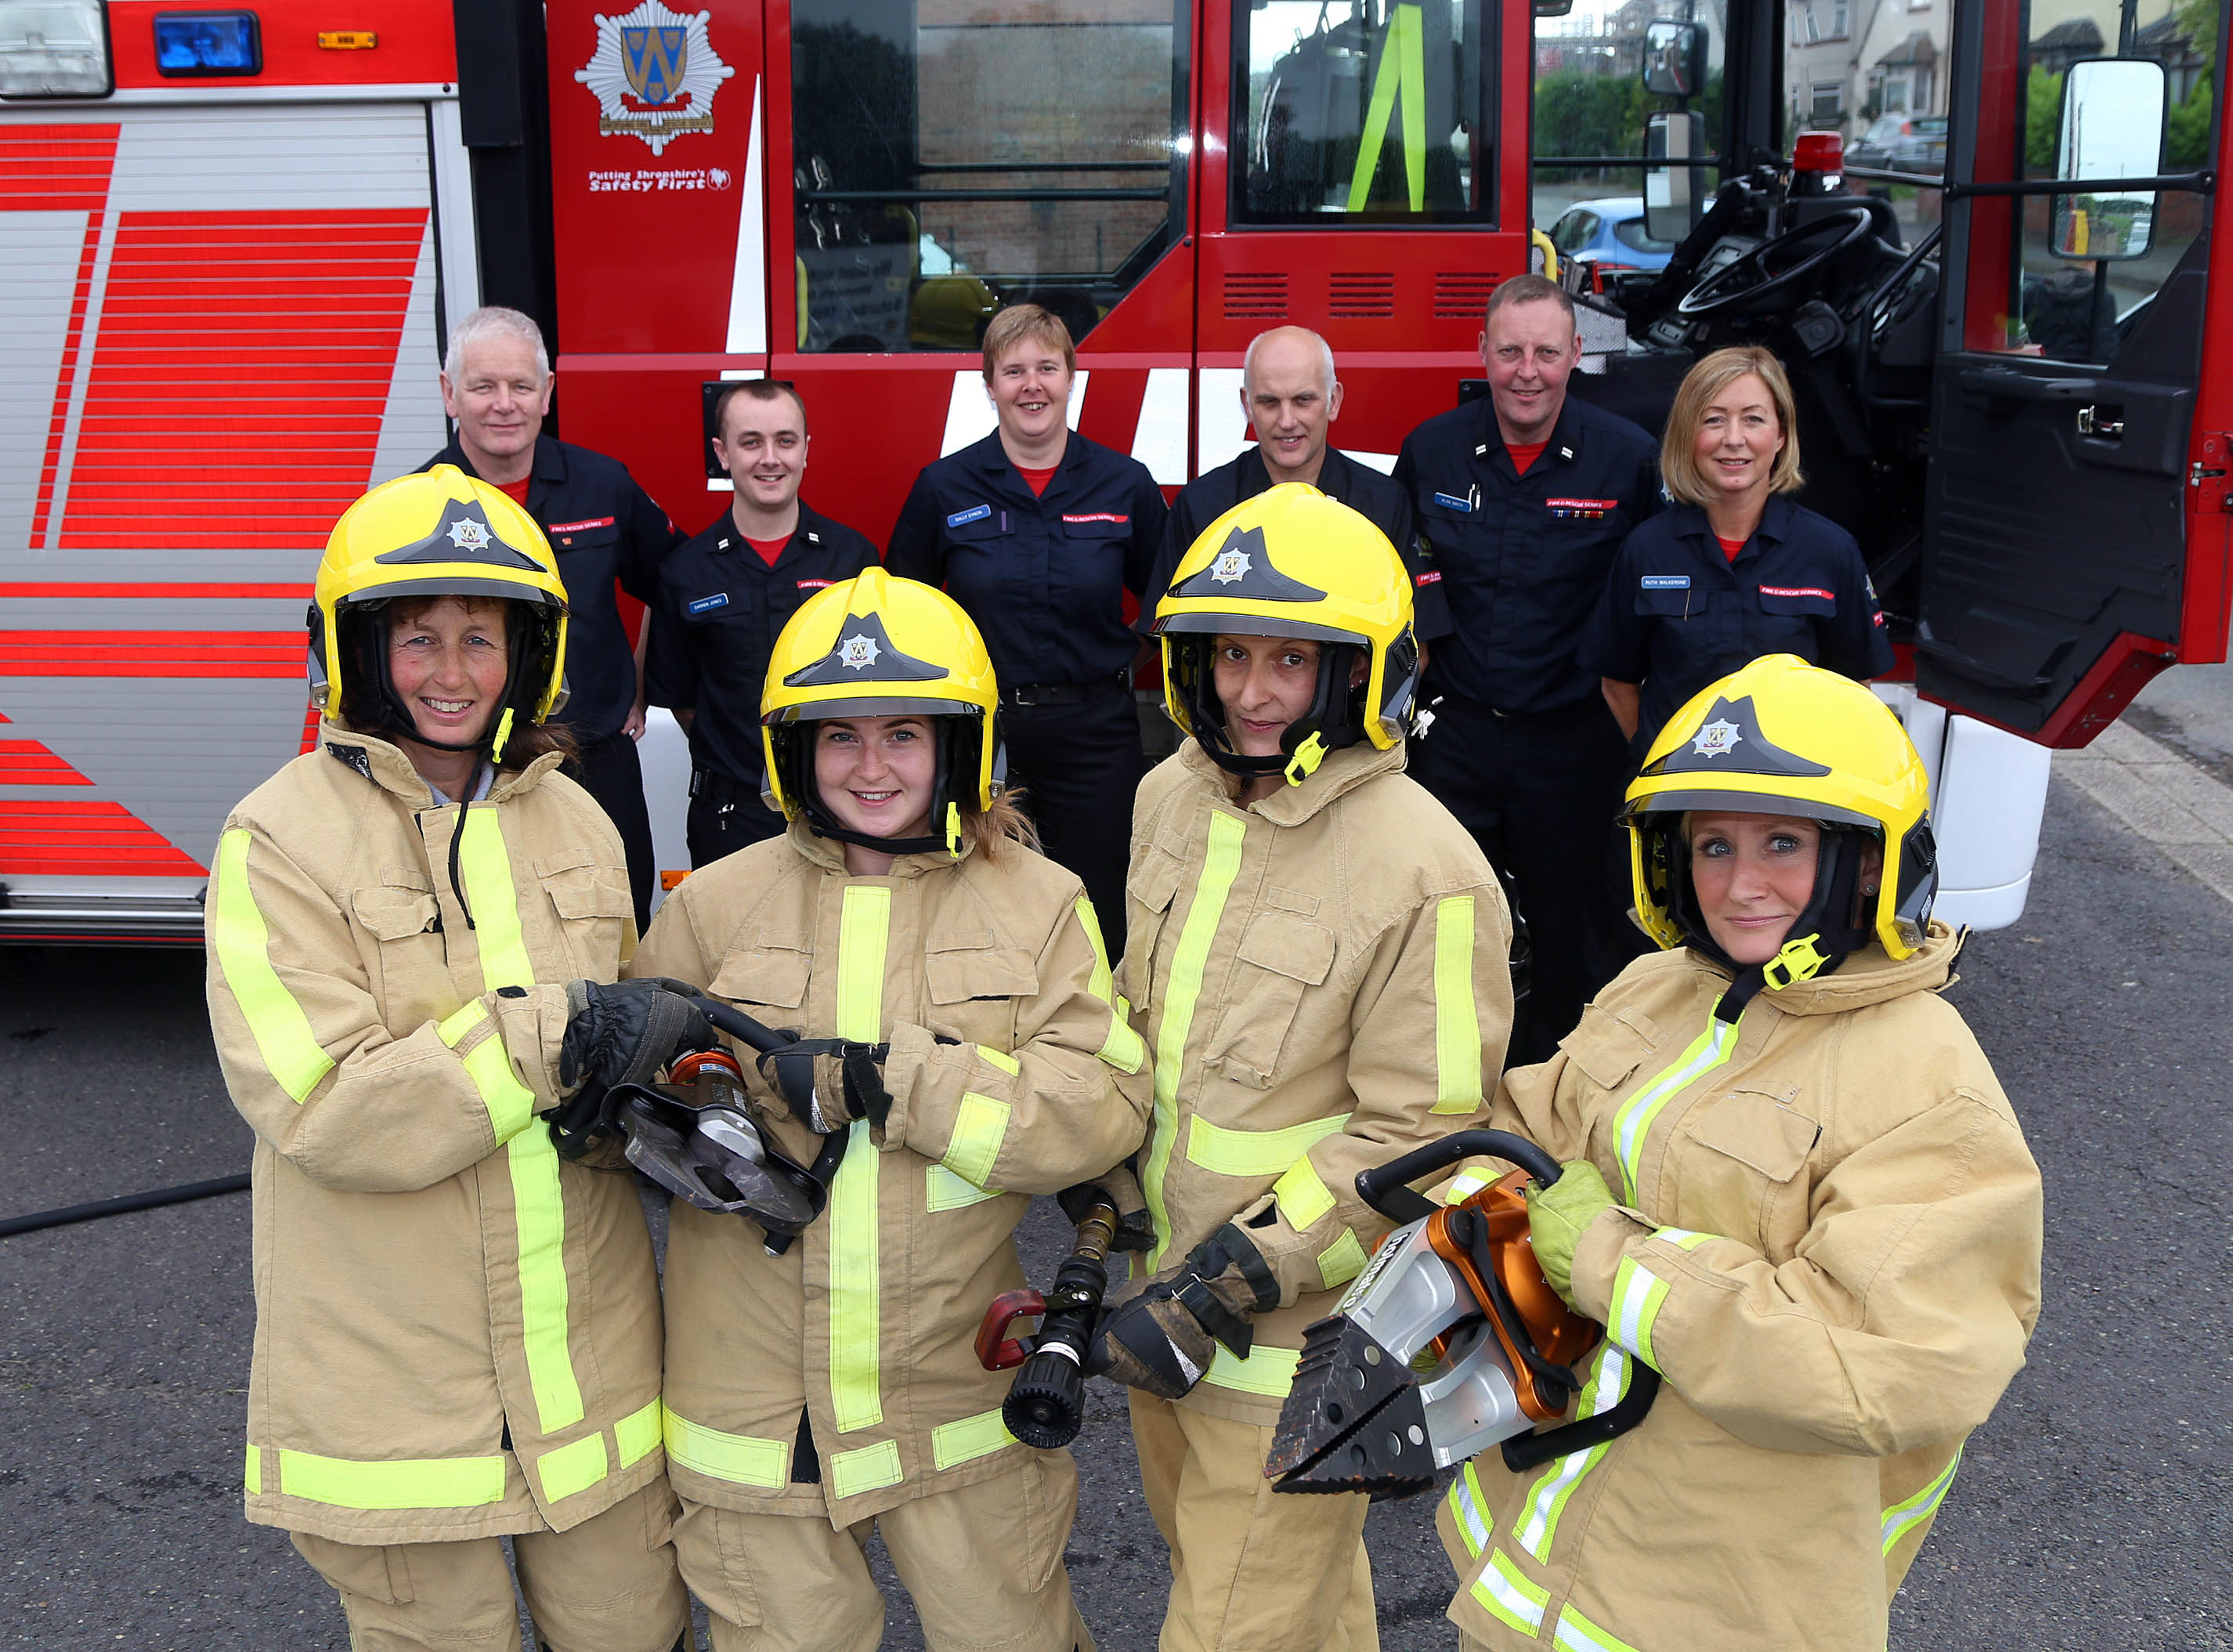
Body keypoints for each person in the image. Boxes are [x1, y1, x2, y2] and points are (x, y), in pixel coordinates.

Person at [205, 467, 717, 1652]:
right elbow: (326, 1104)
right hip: (394, 1382)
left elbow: (627, 1036)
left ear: (527, 653)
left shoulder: (579, 820)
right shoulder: (276, 838)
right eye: (416, 640)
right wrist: (556, 1037)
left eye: (479, 641)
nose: (449, 674)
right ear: (354, 648)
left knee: (633, 1633)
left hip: (583, 1363)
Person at [1439, 653, 2043, 1652]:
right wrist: (1476, 1218)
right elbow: (1524, 1129)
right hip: (1531, 1570)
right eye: (1712, 846)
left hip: (1719, 1605)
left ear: (1865, 860)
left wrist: (1600, 1256)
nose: (1740, 883)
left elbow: (1871, 1367)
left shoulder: (1933, 1091)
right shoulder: (1659, 988)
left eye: (1781, 844)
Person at [633, 567, 1154, 1652]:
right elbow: (644, 1110)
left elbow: (1100, 1106)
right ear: (795, 751)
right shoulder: (714, 904)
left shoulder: (1038, 899)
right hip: (754, 1403)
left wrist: (900, 1081)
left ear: (957, 743)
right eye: (840, 738)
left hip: (951, 1390)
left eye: (903, 735)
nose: (871, 768)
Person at [1090, 486, 1514, 1652]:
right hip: (1157, 1304)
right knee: (1289, 1608)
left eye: (1291, 659)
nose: (1249, 691)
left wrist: (1233, 1274)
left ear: (1362, 671)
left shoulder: (1425, 864)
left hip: (1285, 1341)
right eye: (1230, 653)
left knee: (1228, 1628)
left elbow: (1422, 1143)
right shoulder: (1165, 798)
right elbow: (1139, 1026)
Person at [1391, 274, 1662, 1064]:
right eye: (1509, 351)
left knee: (1573, 931)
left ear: (1577, 354)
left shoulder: (1626, 462)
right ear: (1482, 352)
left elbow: (1649, 596)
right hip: (1457, 735)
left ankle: (1557, 1089)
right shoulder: (1432, 450)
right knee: (1435, 921)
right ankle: (1438, 1078)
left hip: (1570, 743)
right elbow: (1407, 571)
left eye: (1546, 351)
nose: (1527, 370)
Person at [886, 303, 1167, 956]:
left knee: (1098, 902)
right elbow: (908, 609)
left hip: (1095, 735)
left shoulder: (1123, 484)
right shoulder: (944, 488)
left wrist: (1121, 655)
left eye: (1047, 367)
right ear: (988, 385)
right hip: (982, 736)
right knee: (978, 897)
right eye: (1013, 371)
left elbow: (1169, 599)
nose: (1031, 385)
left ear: (1072, 378)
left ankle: (1101, 1037)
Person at [426, 304, 681, 930]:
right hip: (473, 764)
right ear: (449, 394)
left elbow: (677, 583)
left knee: (620, 919)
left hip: (594, 755)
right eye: (483, 386)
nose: (504, 403)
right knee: (488, 925)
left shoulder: (603, 485)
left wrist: (644, 685)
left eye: (520, 385)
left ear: (548, 392)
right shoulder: (416, 507)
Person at [1581, 346, 1893, 760]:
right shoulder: (1647, 550)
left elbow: (1854, 689)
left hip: (1791, 799)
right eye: (1713, 419)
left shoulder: (1829, 550)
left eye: (1753, 419)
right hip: (1680, 800)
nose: (1733, 439)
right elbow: (1617, 683)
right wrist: (1664, 766)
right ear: (1688, 436)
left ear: (1781, 434)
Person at [645, 379, 878, 866]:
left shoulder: (854, 561)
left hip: (839, 810)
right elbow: (682, 702)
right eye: (751, 442)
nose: (770, 458)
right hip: (730, 814)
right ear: (722, 452)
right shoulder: (685, 572)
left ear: (806, 450)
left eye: (785, 441)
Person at [1136, 326, 1451, 649]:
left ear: (1333, 401)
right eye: (1269, 402)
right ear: (1247, 404)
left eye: (1303, 400)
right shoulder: (1201, 506)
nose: (1287, 420)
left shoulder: (1385, 504)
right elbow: (1169, 639)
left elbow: (1416, 647)